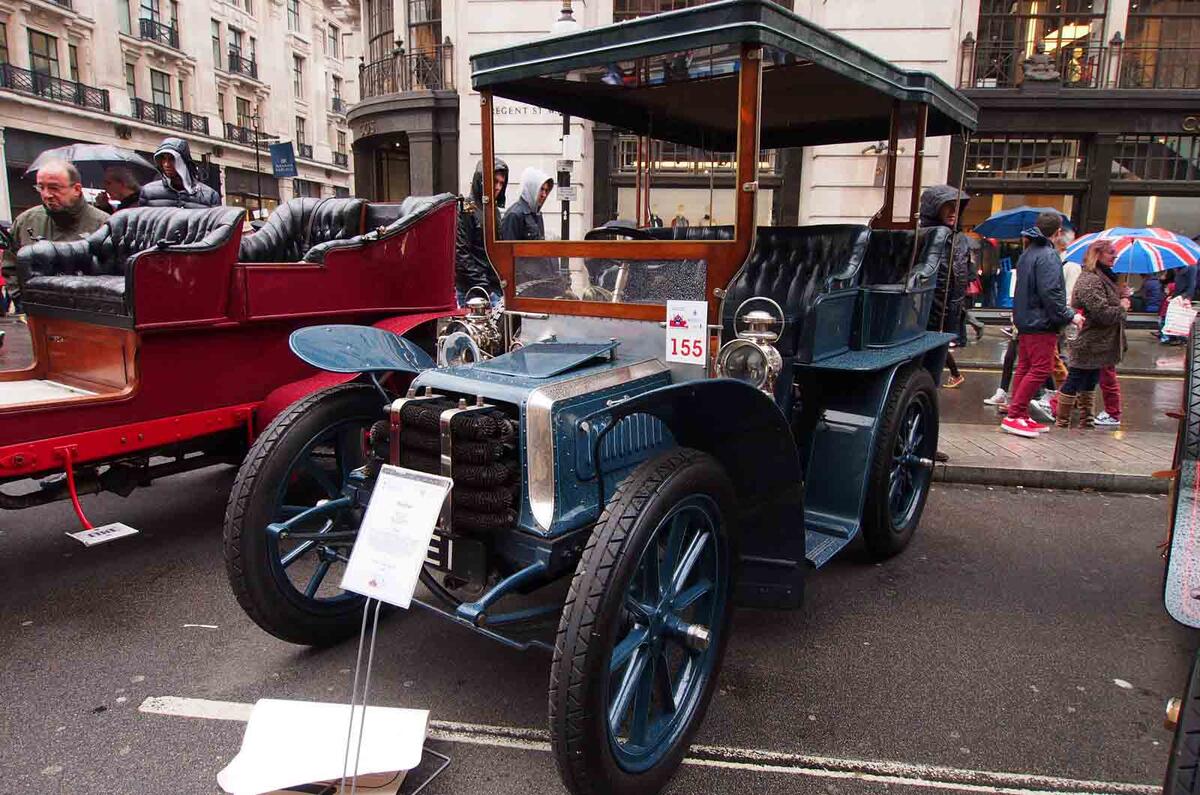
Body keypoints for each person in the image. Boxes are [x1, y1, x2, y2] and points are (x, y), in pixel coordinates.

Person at [1002, 211, 1078, 438]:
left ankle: (1019, 413)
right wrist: (1068, 315)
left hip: (1025, 320)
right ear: (1057, 232)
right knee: (1040, 369)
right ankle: (1015, 414)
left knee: (1025, 367)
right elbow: (1051, 292)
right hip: (1041, 322)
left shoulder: (1028, 253)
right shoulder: (1049, 255)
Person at [1, 159, 109, 315]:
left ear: (77, 189)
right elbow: (11, 266)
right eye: (41, 187)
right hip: (36, 316)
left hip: (89, 316)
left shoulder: (103, 224)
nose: (46, 194)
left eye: (54, 188)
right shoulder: (26, 221)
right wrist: (21, 300)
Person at [1055, 239, 1127, 429]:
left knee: (1091, 380)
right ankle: (1062, 421)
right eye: (1110, 252)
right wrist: (1121, 307)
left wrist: (1122, 295)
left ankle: (1086, 420)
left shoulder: (1104, 277)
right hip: (1089, 341)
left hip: (1100, 343)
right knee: (1075, 378)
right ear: (1098, 254)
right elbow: (1102, 313)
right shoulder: (1090, 279)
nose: (1115, 256)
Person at [919, 184, 969, 388]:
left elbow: (962, 276)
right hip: (925, 316)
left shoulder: (960, 239)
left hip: (948, 317)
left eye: (956, 206)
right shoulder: (924, 235)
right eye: (947, 206)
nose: (953, 212)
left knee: (934, 375)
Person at [455, 158, 508, 307]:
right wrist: (484, 285)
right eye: (495, 182)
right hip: (473, 289)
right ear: (482, 180)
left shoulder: (495, 211)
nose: (498, 187)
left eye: (501, 183)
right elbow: (462, 253)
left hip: (492, 286)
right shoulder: (466, 207)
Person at [138, 137, 220, 208]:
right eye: (163, 158)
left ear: (183, 162)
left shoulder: (209, 195)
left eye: (172, 159)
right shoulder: (148, 192)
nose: (166, 164)